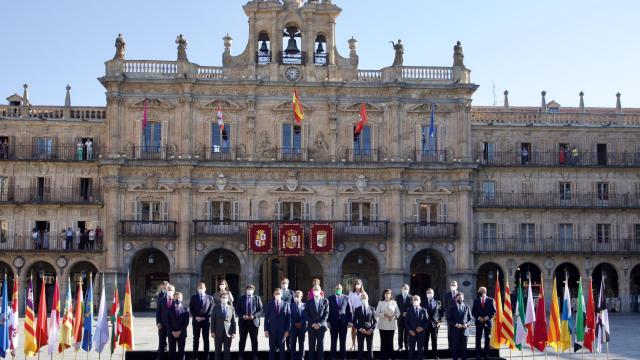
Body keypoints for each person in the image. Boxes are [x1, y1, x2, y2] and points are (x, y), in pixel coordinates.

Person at [235, 284, 263, 360]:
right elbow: (237, 309)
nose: (249, 290)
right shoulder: (241, 298)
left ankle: (255, 356)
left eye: (251, 289)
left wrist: (254, 316)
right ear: (246, 290)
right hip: (243, 322)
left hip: (254, 322)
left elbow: (260, 309)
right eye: (248, 289)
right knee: (242, 340)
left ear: (253, 290)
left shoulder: (257, 298)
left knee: (254, 340)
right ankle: (240, 356)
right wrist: (242, 315)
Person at [264, 288, 291, 360]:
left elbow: (289, 319)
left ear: (281, 295)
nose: (277, 295)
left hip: (282, 331)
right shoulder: (269, 304)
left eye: (279, 294)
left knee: (282, 350)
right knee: (272, 349)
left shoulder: (286, 304)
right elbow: (266, 318)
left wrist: (287, 330)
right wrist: (266, 330)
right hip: (272, 331)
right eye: (276, 294)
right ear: (274, 295)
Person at [190, 282, 214, 360]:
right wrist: (195, 317)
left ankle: (206, 356)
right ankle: (194, 356)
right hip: (196, 321)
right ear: (197, 289)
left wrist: (205, 317)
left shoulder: (210, 298)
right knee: (196, 339)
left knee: (206, 339)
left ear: (205, 288)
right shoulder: (193, 297)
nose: (201, 289)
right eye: (199, 288)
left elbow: (211, 309)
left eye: (202, 287)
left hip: (206, 321)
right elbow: (191, 308)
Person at [327, 283, 352, 360]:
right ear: (335, 289)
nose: (338, 289)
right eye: (337, 288)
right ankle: (333, 357)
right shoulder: (330, 298)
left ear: (342, 289)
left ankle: (343, 357)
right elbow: (328, 311)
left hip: (343, 323)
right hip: (333, 323)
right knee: (333, 341)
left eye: (340, 288)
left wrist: (350, 321)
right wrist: (328, 321)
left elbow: (349, 310)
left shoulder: (346, 297)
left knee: (343, 341)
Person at [471, 287, 496, 360]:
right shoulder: (476, 300)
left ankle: (486, 355)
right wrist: (479, 317)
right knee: (478, 339)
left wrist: (487, 317)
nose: (478, 292)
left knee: (487, 339)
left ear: (483, 292)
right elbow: (473, 311)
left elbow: (494, 311)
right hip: (479, 322)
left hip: (487, 322)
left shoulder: (491, 300)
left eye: (479, 291)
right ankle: (478, 354)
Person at [306, 285, 329, 360]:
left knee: (320, 346)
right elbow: (307, 314)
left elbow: (326, 313)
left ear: (320, 291)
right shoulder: (309, 302)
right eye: (314, 290)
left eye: (317, 289)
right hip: (311, 327)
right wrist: (313, 324)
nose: (316, 291)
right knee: (311, 346)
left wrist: (319, 324)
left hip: (321, 327)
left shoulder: (325, 301)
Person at [447, 293, 473, 360]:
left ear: (463, 298)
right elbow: (449, 319)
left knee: (464, 350)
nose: (460, 299)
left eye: (461, 298)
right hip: (455, 332)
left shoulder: (467, 307)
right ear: (456, 299)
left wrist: (467, 324)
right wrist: (455, 324)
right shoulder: (452, 308)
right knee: (455, 350)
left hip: (465, 332)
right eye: (458, 298)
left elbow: (470, 319)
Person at [211, 292, 236, 360]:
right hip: (218, 333)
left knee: (227, 351)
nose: (224, 299)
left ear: (228, 299)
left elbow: (233, 321)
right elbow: (213, 320)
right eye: (223, 297)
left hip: (228, 333)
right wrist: (212, 331)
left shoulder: (231, 308)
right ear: (220, 299)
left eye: (226, 298)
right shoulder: (215, 308)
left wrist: (234, 332)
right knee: (217, 352)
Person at [375, 289, 399, 360]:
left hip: (391, 325)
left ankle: (391, 356)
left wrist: (394, 316)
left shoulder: (394, 303)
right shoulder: (380, 302)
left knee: (390, 342)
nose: (387, 294)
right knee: (383, 342)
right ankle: (383, 357)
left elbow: (398, 312)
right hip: (382, 326)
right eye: (386, 293)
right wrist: (384, 315)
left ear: (391, 295)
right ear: (383, 294)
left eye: (388, 293)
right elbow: (376, 313)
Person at [353, 293, 376, 360]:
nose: (364, 299)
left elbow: (375, 321)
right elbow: (354, 321)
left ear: (367, 298)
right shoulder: (357, 309)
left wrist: (371, 330)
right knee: (360, 348)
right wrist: (359, 329)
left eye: (365, 298)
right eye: (362, 298)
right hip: (360, 331)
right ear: (360, 299)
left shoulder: (372, 308)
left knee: (370, 347)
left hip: (369, 331)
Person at [167, 292, 190, 360]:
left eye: (179, 297)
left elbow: (186, 323)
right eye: (176, 297)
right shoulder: (169, 309)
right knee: (171, 351)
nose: (177, 299)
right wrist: (173, 331)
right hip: (172, 333)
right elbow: (168, 322)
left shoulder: (186, 309)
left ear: (182, 298)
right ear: (173, 298)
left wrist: (179, 331)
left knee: (181, 351)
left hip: (182, 333)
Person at [421, 288, 442, 360]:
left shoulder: (438, 302)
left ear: (433, 294)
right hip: (425, 325)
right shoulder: (422, 302)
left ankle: (434, 355)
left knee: (434, 341)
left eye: (431, 292)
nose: (429, 293)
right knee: (425, 341)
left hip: (435, 325)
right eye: (428, 292)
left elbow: (440, 313)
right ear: (426, 293)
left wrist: (439, 321)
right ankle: (425, 355)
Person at [406, 295, 428, 360]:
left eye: (417, 300)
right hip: (412, 333)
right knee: (411, 349)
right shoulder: (409, 310)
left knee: (420, 349)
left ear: (420, 301)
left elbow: (427, 322)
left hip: (421, 333)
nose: (416, 301)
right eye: (414, 300)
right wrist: (410, 330)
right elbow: (406, 322)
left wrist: (422, 328)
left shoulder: (424, 310)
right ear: (412, 301)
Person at [157, 283, 173, 360]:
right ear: (166, 290)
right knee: (162, 342)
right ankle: (161, 357)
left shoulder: (176, 300)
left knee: (172, 343)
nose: (169, 291)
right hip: (163, 324)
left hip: (173, 325)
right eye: (168, 289)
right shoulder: (162, 299)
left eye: (171, 290)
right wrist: (158, 322)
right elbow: (158, 311)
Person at [348, 279, 365, 351]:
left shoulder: (364, 293)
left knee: (360, 329)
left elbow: (365, 303)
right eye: (356, 283)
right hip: (353, 312)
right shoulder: (351, 293)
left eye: (359, 283)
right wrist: (352, 309)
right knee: (353, 329)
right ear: (354, 285)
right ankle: (353, 344)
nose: (358, 284)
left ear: (361, 285)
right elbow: (349, 302)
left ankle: (360, 344)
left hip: (361, 313)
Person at [289, 291, 307, 360]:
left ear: (301, 297)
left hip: (302, 328)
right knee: (293, 343)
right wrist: (294, 323)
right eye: (295, 296)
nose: (296, 297)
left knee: (301, 343)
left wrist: (301, 323)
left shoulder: (305, 305)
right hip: (293, 328)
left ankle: (301, 357)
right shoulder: (290, 305)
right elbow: (289, 316)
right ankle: (292, 357)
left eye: (297, 296)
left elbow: (306, 316)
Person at [395, 284, 412, 351]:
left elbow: (411, 307)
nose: (406, 290)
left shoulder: (411, 297)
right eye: (404, 288)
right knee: (400, 332)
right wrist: (400, 313)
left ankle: (407, 346)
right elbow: (396, 307)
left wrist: (407, 313)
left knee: (407, 333)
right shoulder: (398, 297)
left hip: (408, 318)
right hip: (400, 318)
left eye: (407, 289)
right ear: (401, 289)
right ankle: (400, 346)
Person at [444, 280, 459, 350]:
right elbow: (445, 305)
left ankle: (457, 346)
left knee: (457, 332)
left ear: (457, 286)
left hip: (458, 316)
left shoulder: (459, 294)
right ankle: (450, 346)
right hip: (449, 316)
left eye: (454, 285)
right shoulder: (447, 294)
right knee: (449, 332)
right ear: (450, 286)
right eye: (452, 285)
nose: (453, 286)